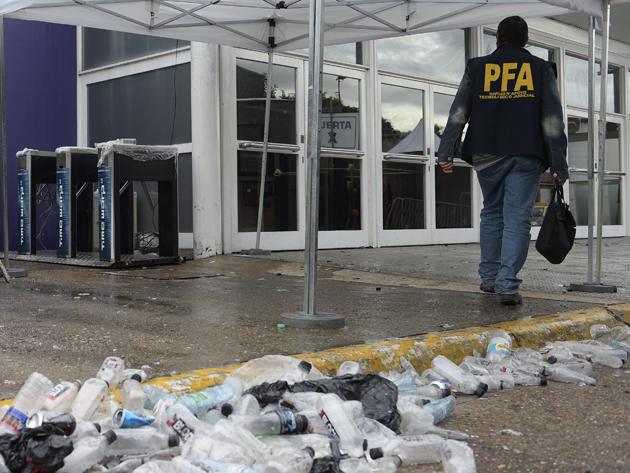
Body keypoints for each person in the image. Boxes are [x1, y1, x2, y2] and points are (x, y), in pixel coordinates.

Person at [437, 16, 568, 306]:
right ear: (526, 40)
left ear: (497, 38)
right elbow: (552, 120)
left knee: (492, 212)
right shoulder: (541, 69)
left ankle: (489, 279)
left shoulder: (477, 67)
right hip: (526, 152)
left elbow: (458, 112)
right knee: (518, 217)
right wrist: (559, 165)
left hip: (486, 154)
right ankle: (507, 286)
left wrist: (446, 152)